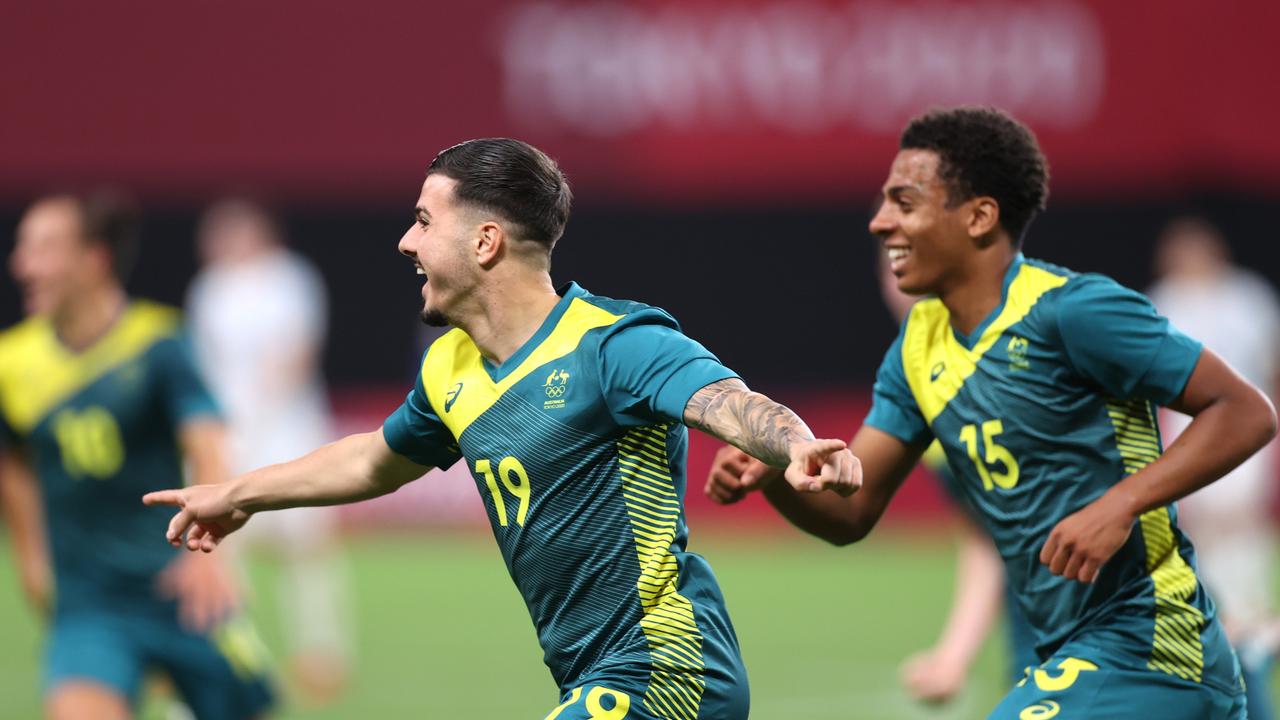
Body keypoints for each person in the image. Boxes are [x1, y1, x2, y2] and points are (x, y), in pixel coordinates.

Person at [143, 138, 860, 720]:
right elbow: (372, 461)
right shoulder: (451, 368)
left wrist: (793, 441)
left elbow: (729, 402)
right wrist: (239, 494)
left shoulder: (611, 342)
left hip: (667, 670)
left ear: (485, 241)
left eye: (425, 221)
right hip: (587, 678)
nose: (404, 242)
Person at [706, 107, 1276, 718]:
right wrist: (777, 478)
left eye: (904, 202)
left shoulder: (1073, 312)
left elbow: (1246, 412)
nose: (880, 223)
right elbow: (853, 510)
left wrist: (1121, 503)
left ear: (979, 217)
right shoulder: (920, 343)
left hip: (1153, 647)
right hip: (1067, 651)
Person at [0, 194, 275, 719]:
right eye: (22, 247)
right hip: (90, 606)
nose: (22, 265)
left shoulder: (158, 342)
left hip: (180, 588)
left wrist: (209, 553)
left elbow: (207, 438)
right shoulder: (11, 363)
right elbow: (13, 466)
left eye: (44, 248)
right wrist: (32, 561)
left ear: (93, 259)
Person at [186, 198, 353, 705]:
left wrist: (259, 416)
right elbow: (203, 365)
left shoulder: (289, 279)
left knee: (307, 548)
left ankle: (322, 652)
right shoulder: (209, 289)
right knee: (220, 550)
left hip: (290, 432)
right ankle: (233, 655)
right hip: (229, 438)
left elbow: (296, 354)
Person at [876, 251, 1039, 704]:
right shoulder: (921, 388)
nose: (897, 278)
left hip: (1112, 628)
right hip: (1037, 636)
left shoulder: (1026, 348)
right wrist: (953, 656)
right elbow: (986, 540)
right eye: (887, 259)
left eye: (909, 250)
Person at [1148, 216, 1280, 720]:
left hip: (1246, 425)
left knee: (1242, 521)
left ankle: (1253, 617)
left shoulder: (1247, 296)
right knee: (1196, 528)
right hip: (1186, 431)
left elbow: (1267, 364)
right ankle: (1216, 619)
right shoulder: (1165, 298)